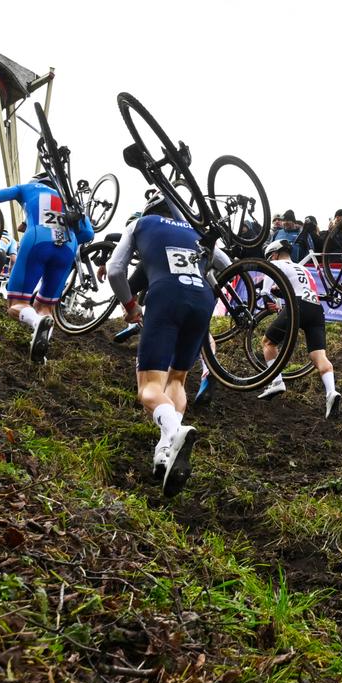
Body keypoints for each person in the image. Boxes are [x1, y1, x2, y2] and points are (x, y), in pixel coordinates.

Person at [105, 194, 212, 496]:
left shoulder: (141, 223)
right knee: (177, 379)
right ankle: (165, 451)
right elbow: (224, 264)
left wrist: (130, 306)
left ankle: (175, 433)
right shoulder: (196, 229)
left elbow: (115, 270)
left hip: (166, 296)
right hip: (202, 298)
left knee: (149, 388)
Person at [0, 171, 94, 361]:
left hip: (37, 239)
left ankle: (35, 321)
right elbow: (89, 234)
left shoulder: (28, 188)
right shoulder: (69, 200)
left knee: (16, 304)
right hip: (68, 246)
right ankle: (40, 355)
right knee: (46, 308)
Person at [256, 237, 342, 417]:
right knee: (318, 356)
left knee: (268, 342)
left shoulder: (276, 264)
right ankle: (331, 392)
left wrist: (265, 295)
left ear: (274, 254)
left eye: (269, 258)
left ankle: (276, 382)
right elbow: (298, 287)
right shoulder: (303, 268)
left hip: (297, 306)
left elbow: (267, 285)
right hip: (316, 308)